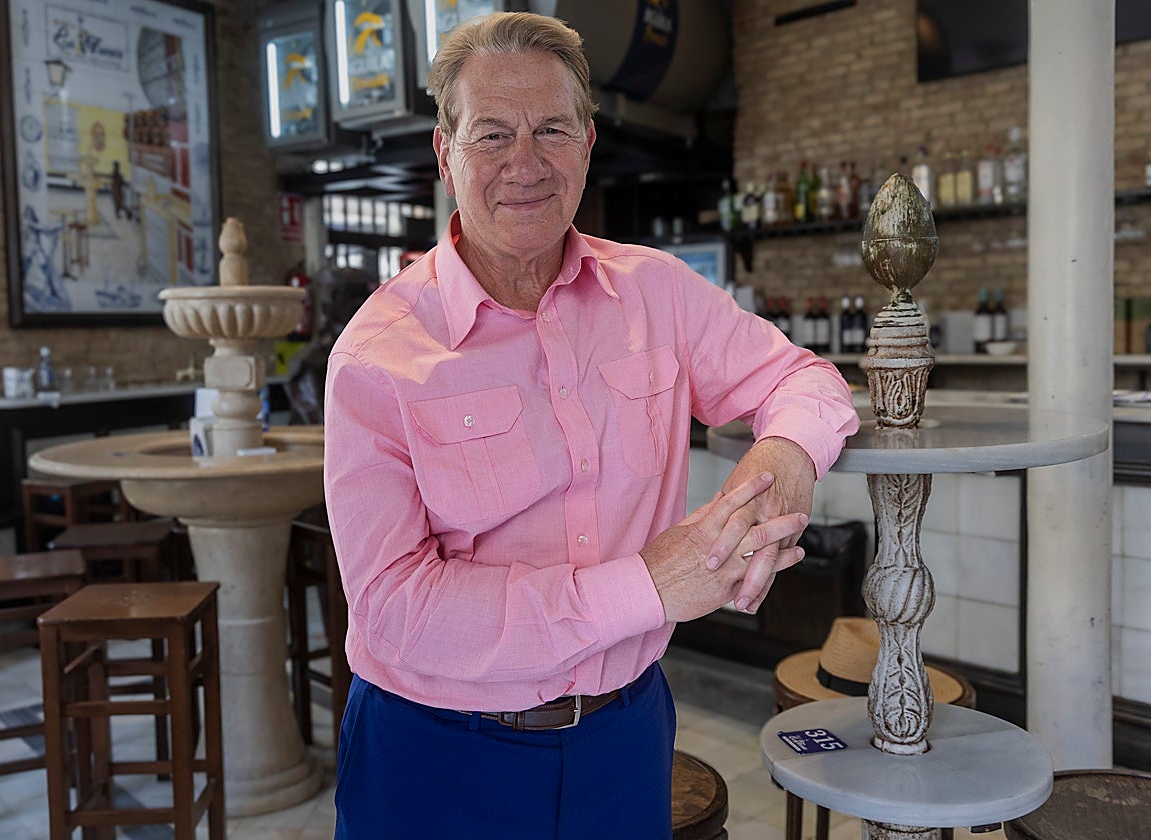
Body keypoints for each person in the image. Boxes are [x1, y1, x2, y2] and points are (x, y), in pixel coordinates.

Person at [323, 12, 859, 840]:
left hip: (624, 735)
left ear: (587, 142)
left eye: (552, 130)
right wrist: (649, 584)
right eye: (493, 133)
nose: (525, 163)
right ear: (445, 154)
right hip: (435, 752)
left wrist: (784, 462)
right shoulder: (377, 352)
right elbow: (395, 608)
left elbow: (804, 378)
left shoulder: (657, 292)